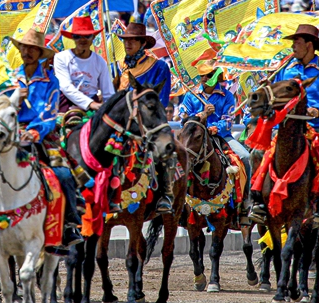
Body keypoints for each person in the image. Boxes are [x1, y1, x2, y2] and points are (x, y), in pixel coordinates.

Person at [251, 24, 319, 224]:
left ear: (309, 45)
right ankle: (256, 200)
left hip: (314, 126)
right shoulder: (285, 68)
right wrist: (267, 88)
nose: (292, 47)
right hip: (285, 125)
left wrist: (318, 110)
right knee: (256, 153)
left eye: (296, 43)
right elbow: (275, 94)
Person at [5, 29, 83, 248]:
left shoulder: (51, 81)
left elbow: (48, 115)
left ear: (40, 53)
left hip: (41, 134)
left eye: (33, 49)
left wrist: (33, 132)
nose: (27, 52)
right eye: (24, 47)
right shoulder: (9, 78)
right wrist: (13, 100)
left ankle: (69, 224)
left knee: (63, 174)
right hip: (10, 131)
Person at [177, 61, 252, 224]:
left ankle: (246, 202)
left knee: (245, 157)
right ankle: (175, 203)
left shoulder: (227, 96)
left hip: (220, 136)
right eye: (202, 75)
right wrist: (202, 115)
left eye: (209, 75)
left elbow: (228, 121)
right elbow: (183, 117)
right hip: (195, 138)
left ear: (217, 76)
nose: (204, 78)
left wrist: (213, 128)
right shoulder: (190, 95)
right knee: (175, 159)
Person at [114, 22, 174, 213]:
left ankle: (165, 193)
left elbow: (161, 101)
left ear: (142, 43)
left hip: (149, 122)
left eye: (133, 40)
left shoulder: (159, 66)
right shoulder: (118, 67)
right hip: (121, 122)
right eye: (126, 40)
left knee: (162, 150)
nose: (128, 44)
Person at [53, 16, 115, 113]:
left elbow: (108, 92)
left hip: (93, 104)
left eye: (87, 36)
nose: (82, 40)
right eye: (77, 36)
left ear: (93, 37)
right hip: (67, 103)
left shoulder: (100, 61)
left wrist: (110, 108)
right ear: (72, 38)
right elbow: (66, 87)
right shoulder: (61, 57)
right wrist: (90, 103)